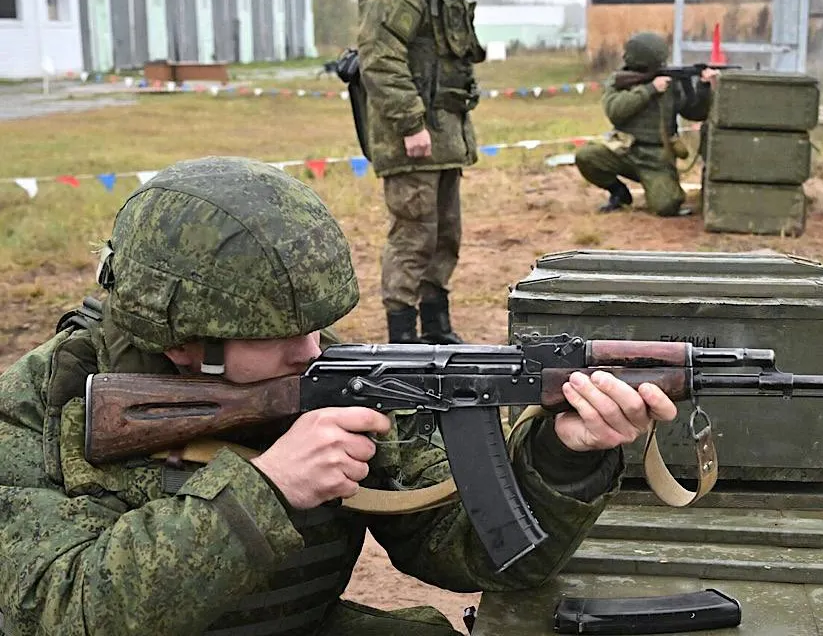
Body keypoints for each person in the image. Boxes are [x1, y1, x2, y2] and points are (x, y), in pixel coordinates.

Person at [0, 156, 678, 636]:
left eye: (316, 324)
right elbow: (58, 613)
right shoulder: (36, 407)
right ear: (184, 343)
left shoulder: (334, 371)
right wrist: (267, 489)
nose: (312, 349)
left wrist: (562, 457)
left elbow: (472, 550)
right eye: (278, 336)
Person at [356, 0, 486, 346]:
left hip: (444, 133)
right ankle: (403, 338)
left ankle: (435, 327)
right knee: (413, 235)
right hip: (415, 134)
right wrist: (411, 124)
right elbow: (380, 57)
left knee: (445, 235)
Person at [574, 32, 719, 217]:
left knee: (667, 206)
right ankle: (618, 192)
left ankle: (656, 185)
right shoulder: (621, 80)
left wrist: (703, 87)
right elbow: (615, 112)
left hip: (657, 157)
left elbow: (695, 113)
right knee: (586, 156)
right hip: (624, 149)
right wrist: (650, 89)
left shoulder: (671, 83)